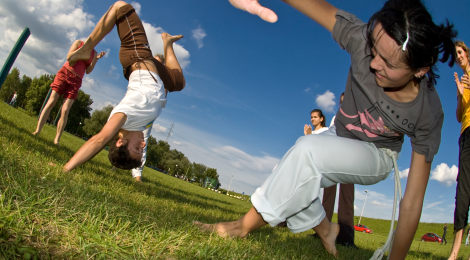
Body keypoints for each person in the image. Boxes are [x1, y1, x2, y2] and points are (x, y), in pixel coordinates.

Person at [194, 0, 456, 258]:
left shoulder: (428, 113)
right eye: (374, 51)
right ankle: (326, 228)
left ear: (420, 70)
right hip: (339, 134)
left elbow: (411, 203)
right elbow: (312, 5)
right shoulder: (360, 38)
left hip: (378, 155)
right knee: (286, 169)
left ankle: (242, 227)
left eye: (389, 63)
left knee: (307, 152)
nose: (374, 64)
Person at [62, 1, 185, 172]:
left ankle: (87, 48)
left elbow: (99, 140)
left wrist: (66, 169)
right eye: (141, 150)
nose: (142, 145)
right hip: (155, 71)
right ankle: (168, 43)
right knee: (178, 82)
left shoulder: (123, 117)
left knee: (121, 6)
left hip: (137, 57)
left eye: (137, 148)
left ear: (120, 141)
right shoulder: (138, 126)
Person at [32, 40, 105, 146]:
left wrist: (96, 59)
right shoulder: (79, 43)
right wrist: (82, 50)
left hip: (76, 80)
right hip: (65, 72)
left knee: (65, 110)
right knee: (51, 101)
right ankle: (37, 131)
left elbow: (88, 70)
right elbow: (69, 56)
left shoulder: (94, 53)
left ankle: (57, 140)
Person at [319, 92, 356, 248]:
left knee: (347, 197)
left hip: (350, 159)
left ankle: (346, 237)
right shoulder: (336, 118)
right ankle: (322, 230)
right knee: (328, 195)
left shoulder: (359, 117)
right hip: (334, 157)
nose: (343, 104)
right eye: (341, 102)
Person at [449, 40, 470, 259]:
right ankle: (454, 253)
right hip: (466, 134)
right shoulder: (461, 80)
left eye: (461, 51)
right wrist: (460, 93)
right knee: (463, 192)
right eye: (456, 54)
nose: (458, 55)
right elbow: (458, 116)